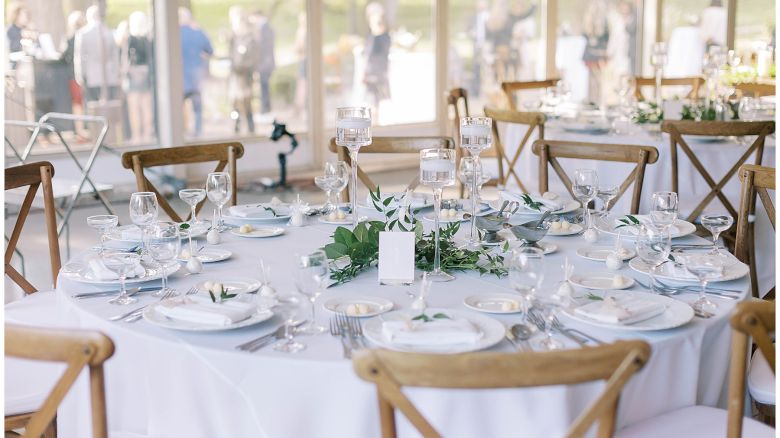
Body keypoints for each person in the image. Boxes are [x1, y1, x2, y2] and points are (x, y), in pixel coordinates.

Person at [74, 5, 121, 102]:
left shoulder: (83, 34)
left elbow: (80, 57)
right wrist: (116, 73)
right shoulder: (109, 32)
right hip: (110, 76)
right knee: (110, 104)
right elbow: (115, 56)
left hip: (92, 76)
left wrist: (80, 75)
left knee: (93, 105)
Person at [179, 7, 213, 138]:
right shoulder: (198, 33)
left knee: (178, 107)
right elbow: (210, 50)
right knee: (197, 108)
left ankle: (181, 131)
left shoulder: (174, 34)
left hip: (180, 77)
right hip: (196, 76)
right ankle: (197, 131)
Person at [123, 11, 154, 144]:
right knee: (146, 106)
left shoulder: (130, 39)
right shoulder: (148, 39)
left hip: (134, 74)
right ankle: (147, 134)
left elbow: (126, 59)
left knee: (134, 107)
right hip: (146, 73)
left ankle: (136, 136)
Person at [60, 10, 87, 136]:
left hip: (74, 75)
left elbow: (63, 55)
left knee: (77, 103)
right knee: (83, 102)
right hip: (85, 75)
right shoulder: (86, 36)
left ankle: (80, 131)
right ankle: (85, 131)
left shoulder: (69, 38)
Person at [363, 2, 391, 113]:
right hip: (375, 73)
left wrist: (366, 73)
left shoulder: (381, 38)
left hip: (376, 73)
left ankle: (375, 118)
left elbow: (372, 56)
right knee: (373, 103)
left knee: (374, 103)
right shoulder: (374, 37)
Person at [581, 0, 609, 104]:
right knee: (591, 78)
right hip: (591, 53)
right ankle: (591, 100)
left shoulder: (604, 19)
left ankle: (598, 100)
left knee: (599, 78)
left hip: (599, 53)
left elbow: (606, 36)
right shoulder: (588, 18)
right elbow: (585, 33)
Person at [251, 9, 276, 115]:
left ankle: (265, 109)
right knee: (264, 86)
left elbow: (263, 47)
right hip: (266, 62)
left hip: (264, 63)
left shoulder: (264, 28)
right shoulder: (267, 27)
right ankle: (266, 108)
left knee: (264, 86)